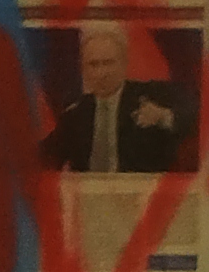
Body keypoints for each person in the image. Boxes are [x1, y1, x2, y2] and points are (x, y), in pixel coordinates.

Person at [42, 21, 194, 174]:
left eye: (108, 63)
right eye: (93, 65)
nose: (101, 73)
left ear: (124, 63)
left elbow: (195, 119)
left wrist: (163, 116)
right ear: (83, 69)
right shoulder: (75, 114)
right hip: (89, 188)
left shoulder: (150, 95)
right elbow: (44, 157)